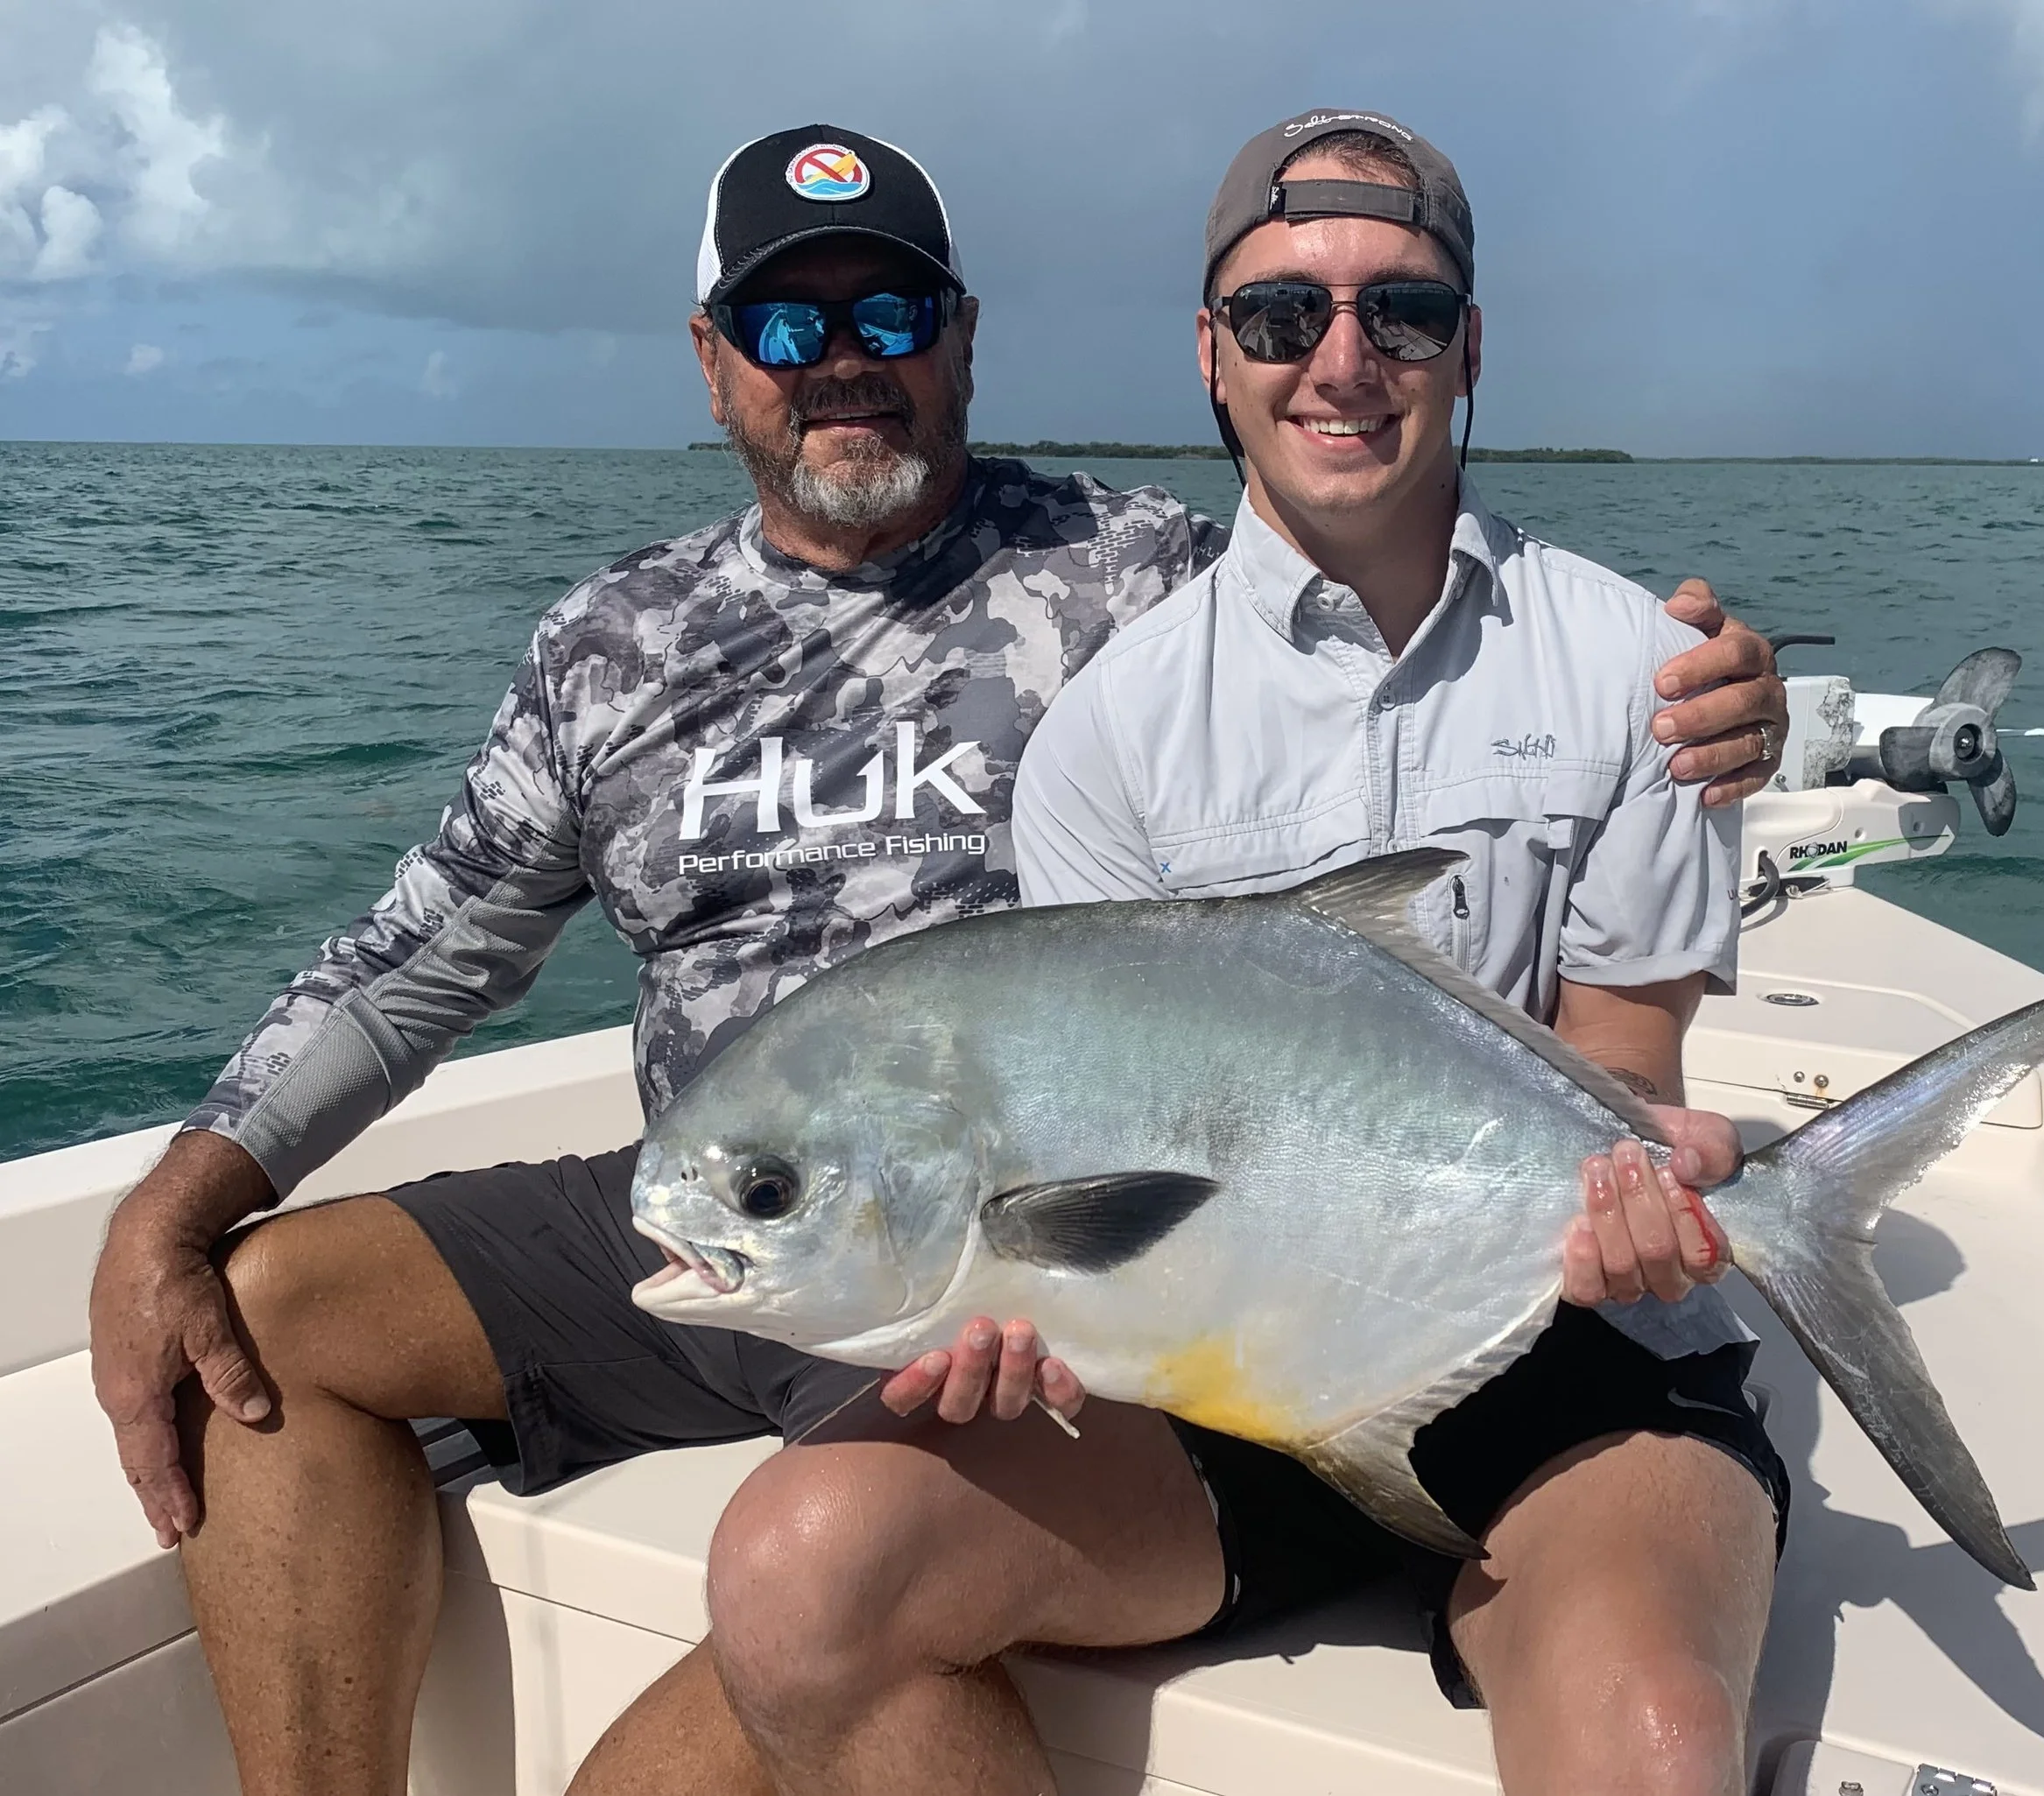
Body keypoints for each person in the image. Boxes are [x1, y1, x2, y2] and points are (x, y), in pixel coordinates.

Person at [84, 122, 1787, 1796]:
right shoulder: (610, 644)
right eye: (785, 322)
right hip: (733, 1198)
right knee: (260, 1308)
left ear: (962, 338)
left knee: (795, 1614)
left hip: (981, 1234)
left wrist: (1708, 694)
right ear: (710, 360)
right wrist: (168, 1205)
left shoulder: (1126, 575)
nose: (842, 363)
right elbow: (421, 952)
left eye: (890, 317)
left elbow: (1375, 597)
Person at [1005, 110, 1782, 1792]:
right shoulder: (1106, 742)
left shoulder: (1650, 672)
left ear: (1471, 345)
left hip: (1560, 1351)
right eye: (1284, 316)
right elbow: (1094, 1166)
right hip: (1211, 1375)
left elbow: (1626, 1073)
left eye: (1402, 312)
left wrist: (1634, 1197)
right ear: (1213, 358)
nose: (1341, 360)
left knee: (1653, 1744)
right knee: (804, 1570)